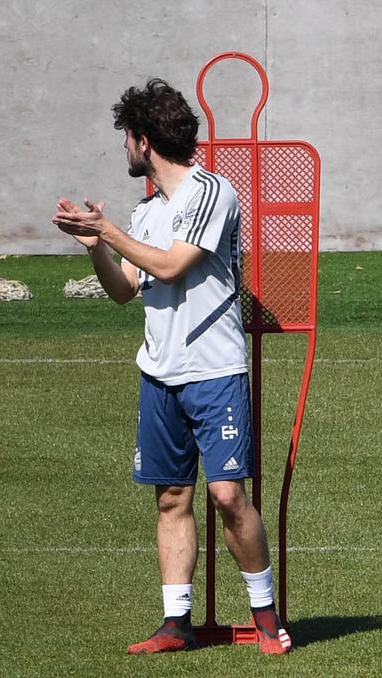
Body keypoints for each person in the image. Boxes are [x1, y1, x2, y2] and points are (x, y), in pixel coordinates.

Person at [51, 79, 292, 655]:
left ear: (143, 140)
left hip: (214, 372)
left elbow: (170, 266)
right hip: (159, 374)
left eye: (126, 140)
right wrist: (95, 244)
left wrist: (106, 229)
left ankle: (264, 618)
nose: (124, 152)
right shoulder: (146, 209)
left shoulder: (211, 192)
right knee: (171, 499)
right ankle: (175, 624)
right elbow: (124, 289)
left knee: (229, 496)